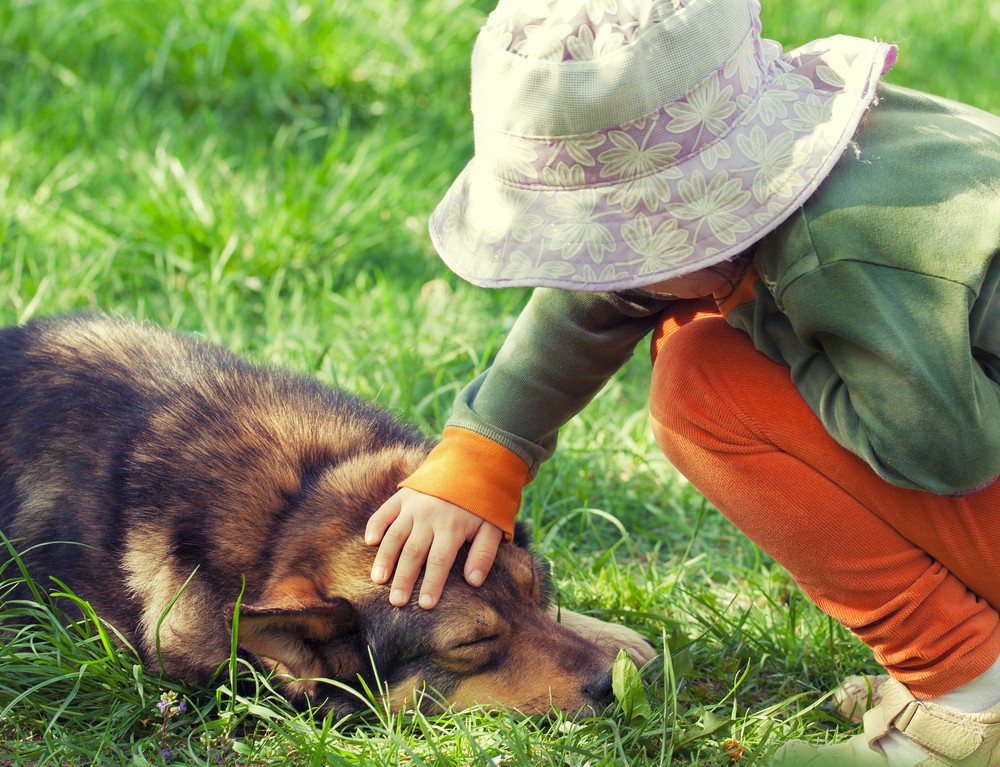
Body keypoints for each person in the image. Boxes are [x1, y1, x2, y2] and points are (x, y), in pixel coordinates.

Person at [364, 0, 1000, 762]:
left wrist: (757, 318)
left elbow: (945, 449)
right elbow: (611, 296)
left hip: (955, 447)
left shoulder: (836, 255)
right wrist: (481, 456)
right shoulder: (847, 152)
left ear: (694, 219)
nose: (596, 278)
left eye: (603, 246)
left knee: (703, 387)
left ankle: (968, 696)